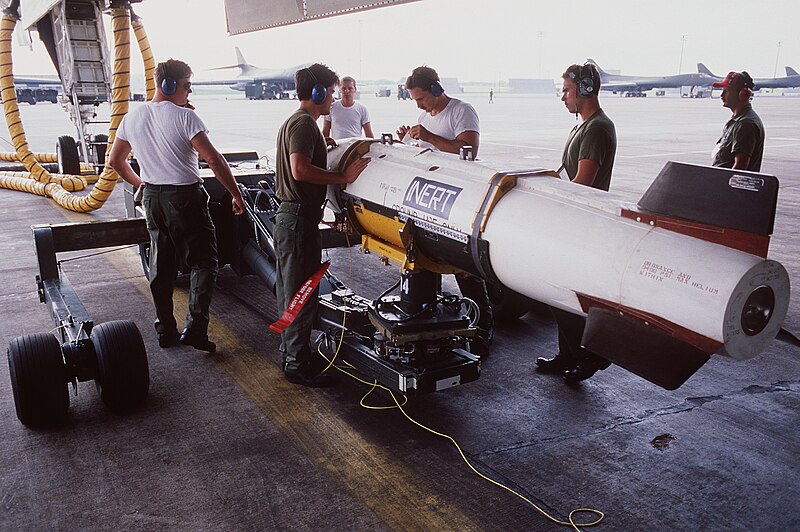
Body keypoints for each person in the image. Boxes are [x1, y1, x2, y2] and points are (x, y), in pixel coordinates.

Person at [109, 59, 245, 353]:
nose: (190, 92)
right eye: (186, 86)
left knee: (161, 266)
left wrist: (141, 182)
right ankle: (195, 328)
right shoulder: (186, 118)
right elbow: (213, 159)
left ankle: (165, 329)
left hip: (153, 198)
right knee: (204, 262)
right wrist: (235, 194)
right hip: (184, 199)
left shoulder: (132, 117)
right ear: (170, 85)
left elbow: (115, 161)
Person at [275, 63, 370, 387]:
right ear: (317, 93)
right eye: (329, 92)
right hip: (299, 221)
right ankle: (295, 363)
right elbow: (299, 170)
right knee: (300, 293)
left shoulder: (300, 124)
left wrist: (322, 150)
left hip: (296, 219)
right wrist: (342, 176)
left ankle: (294, 351)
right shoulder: (303, 125)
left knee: (295, 290)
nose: (332, 99)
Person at [395, 65, 492, 357]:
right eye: (414, 100)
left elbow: (469, 150)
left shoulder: (462, 111)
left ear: (436, 90)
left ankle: (483, 328)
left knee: (463, 268)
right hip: (431, 200)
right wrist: (407, 138)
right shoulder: (425, 116)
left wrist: (428, 135)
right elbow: (423, 151)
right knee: (430, 260)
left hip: (459, 200)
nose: (419, 104)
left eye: (421, 98)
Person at [536, 63, 616, 383]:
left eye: (567, 90)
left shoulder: (597, 128)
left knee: (568, 295)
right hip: (572, 220)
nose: (563, 97)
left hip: (582, 222)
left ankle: (593, 354)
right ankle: (570, 354)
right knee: (558, 293)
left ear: (584, 90)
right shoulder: (582, 126)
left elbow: (583, 181)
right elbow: (566, 171)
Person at [711, 71, 764, 172]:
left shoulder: (745, 124)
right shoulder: (738, 119)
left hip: (728, 185)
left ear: (742, 94)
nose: (722, 95)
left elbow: (740, 166)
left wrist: (723, 186)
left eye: (727, 91)